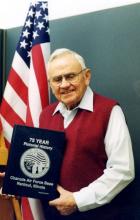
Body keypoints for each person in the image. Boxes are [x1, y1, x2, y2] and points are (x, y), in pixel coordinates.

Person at [40, 48, 135, 220]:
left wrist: (78, 200)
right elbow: (42, 160)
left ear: (87, 76)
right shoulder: (45, 115)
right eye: (57, 79)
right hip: (53, 215)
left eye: (70, 76)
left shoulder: (109, 111)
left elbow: (123, 170)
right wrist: (16, 177)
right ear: (50, 84)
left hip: (99, 216)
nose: (64, 84)